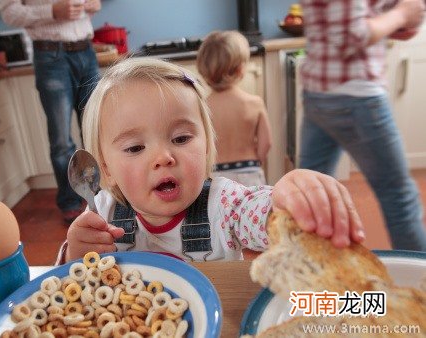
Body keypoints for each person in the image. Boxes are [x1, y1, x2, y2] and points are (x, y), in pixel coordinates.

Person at [56, 57, 365, 263]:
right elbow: (75, 282)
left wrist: (285, 204)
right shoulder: (104, 210)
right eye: (135, 148)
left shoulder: (225, 204)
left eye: (180, 139)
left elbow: (259, 215)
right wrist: (76, 253)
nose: (164, 157)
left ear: (205, 146)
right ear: (106, 169)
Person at [299, 0, 426, 251]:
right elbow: (350, 37)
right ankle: (420, 285)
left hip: (318, 94)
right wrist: (402, 14)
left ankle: (306, 274)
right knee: (400, 198)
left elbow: (341, 24)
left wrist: (392, 19)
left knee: (311, 195)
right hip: (356, 98)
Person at [1, 0, 101, 224]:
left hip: (86, 51)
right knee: (61, 139)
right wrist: (51, 11)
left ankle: (102, 196)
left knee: (96, 129)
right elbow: (9, 13)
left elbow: (92, 6)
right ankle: (70, 202)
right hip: (51, 56)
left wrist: (93, 4)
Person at [196, 30, 271, 186]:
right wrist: (256, 164)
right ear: (239, 70)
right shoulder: (254, 102)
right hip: (249, 172)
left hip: (215, 175)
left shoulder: (202, 106)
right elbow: (266, 143)